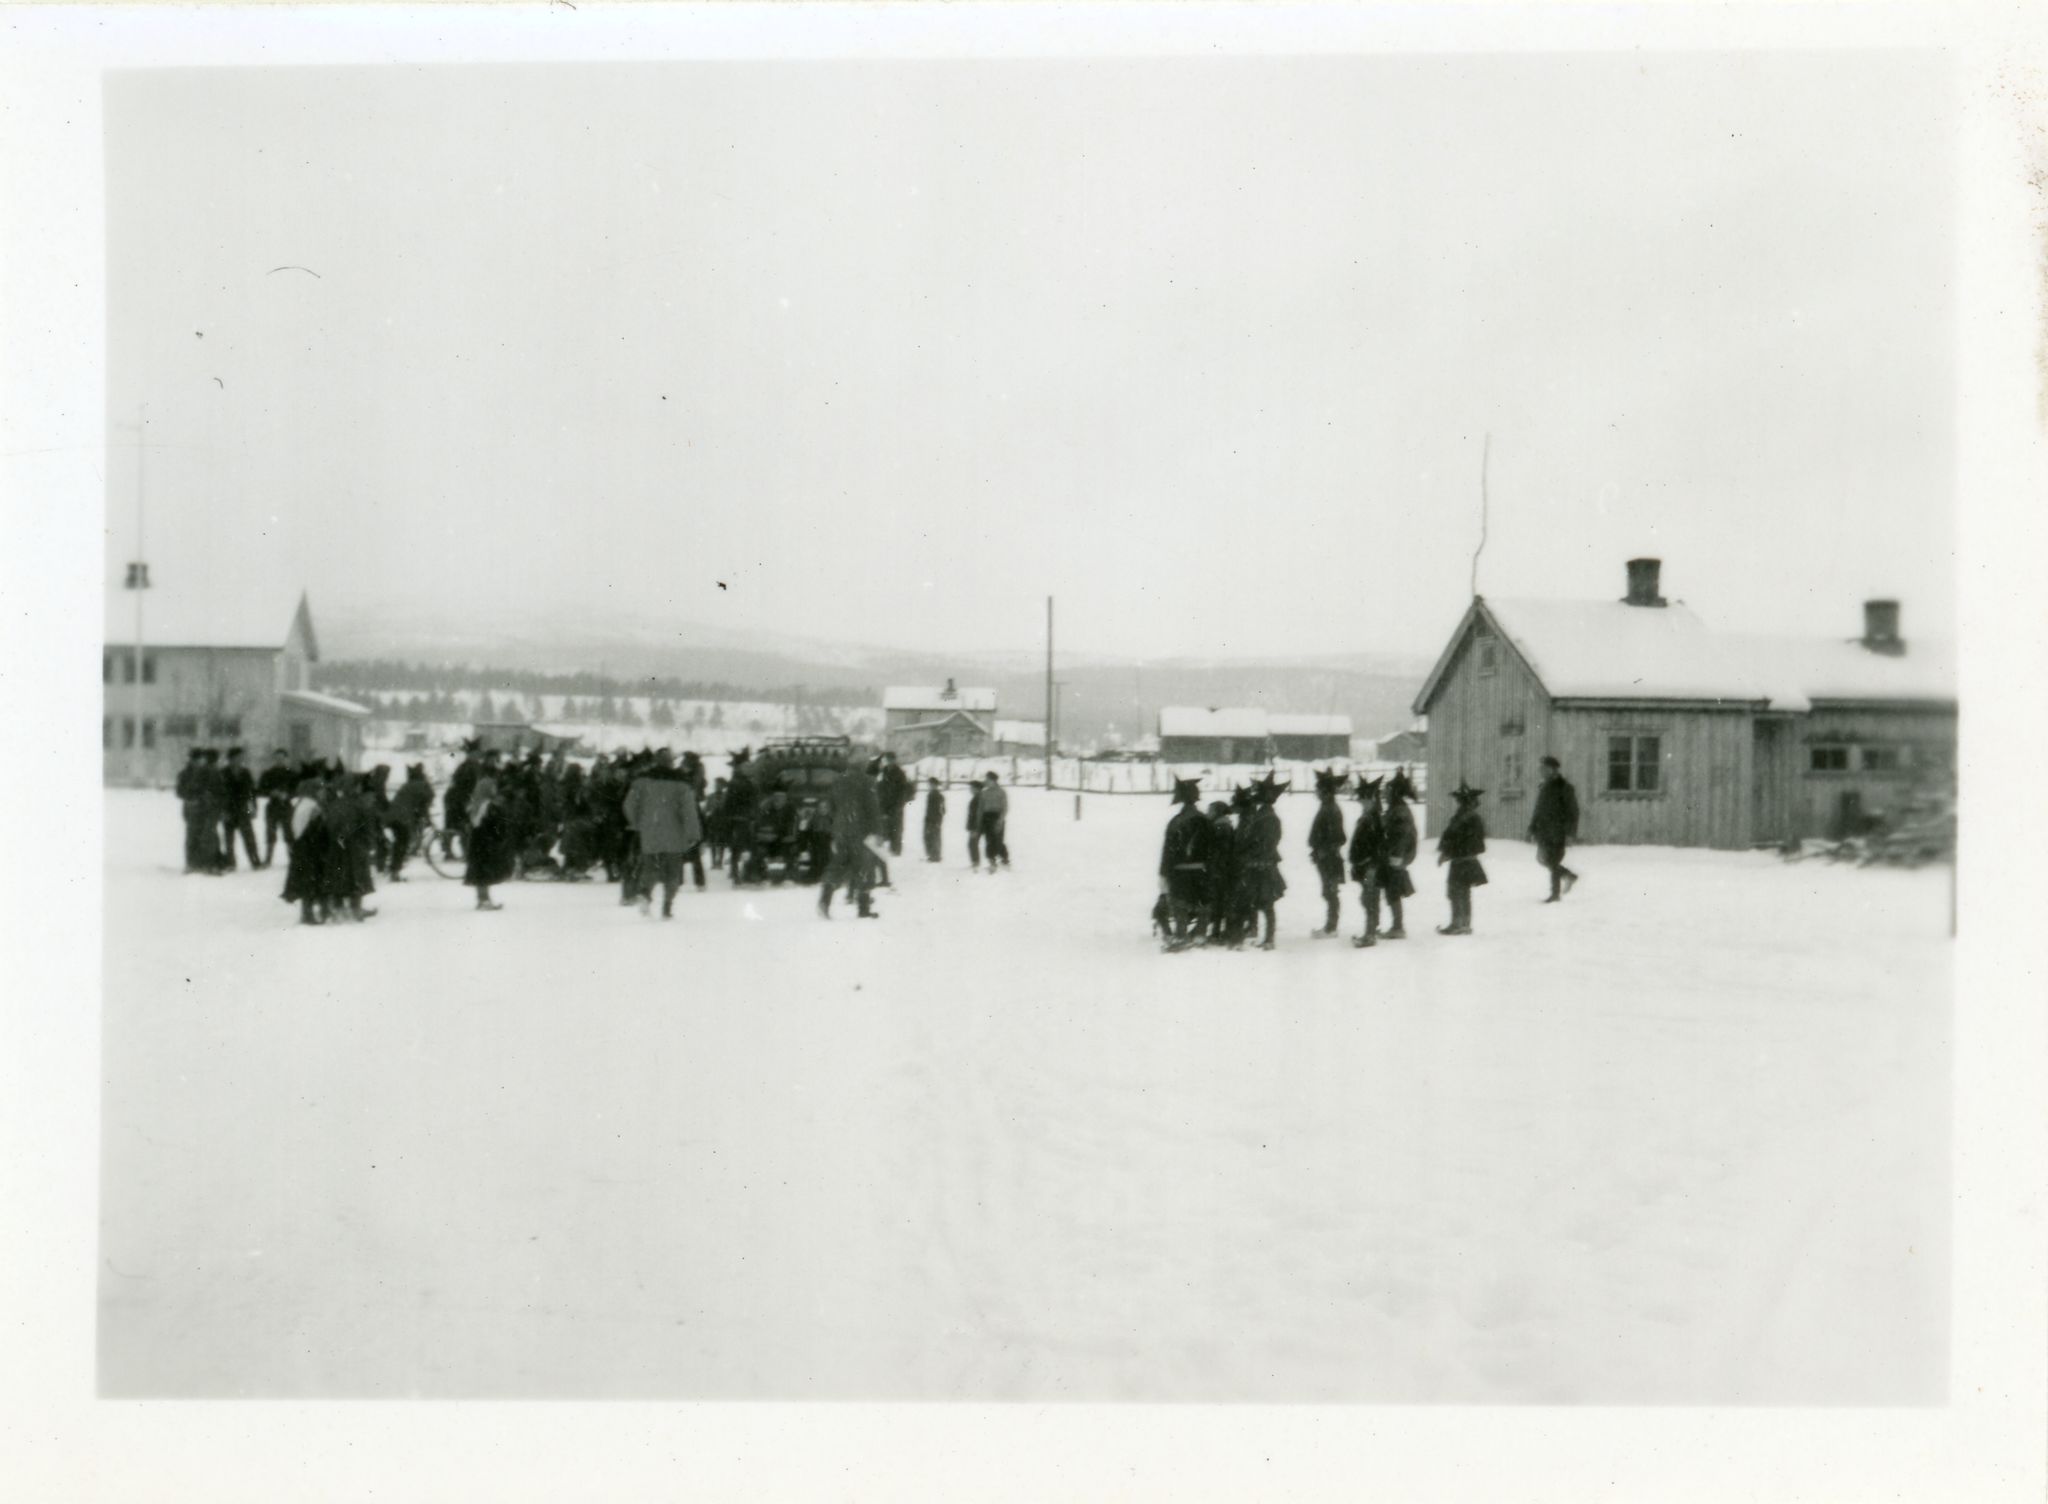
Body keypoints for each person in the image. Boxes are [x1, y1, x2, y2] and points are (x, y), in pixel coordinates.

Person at [623, 748, 702, 919]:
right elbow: (689, 811)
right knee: (673, 873)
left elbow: (628, 805)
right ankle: (667, 907)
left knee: (650, 867)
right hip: (674, 834)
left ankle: (645, 894)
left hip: (649, 833)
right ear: (671, 762)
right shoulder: (681, 783)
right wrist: (693, 834)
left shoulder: (641, 782)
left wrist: (637, 823)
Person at [819, 756, 883, 919]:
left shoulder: (838, 781)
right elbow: (873, 809)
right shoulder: (867, 781)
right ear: (863, 766)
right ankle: (863, 908)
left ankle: (825, 899)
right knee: (865, 867)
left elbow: (831, 807)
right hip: (861, 831)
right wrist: (877, 832)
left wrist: (839, 824)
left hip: (841, 830)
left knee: (838, 865)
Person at [1158, 776, 1209, 951]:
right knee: (1201, 902)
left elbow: (1168, 851)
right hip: (1202, 871)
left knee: (1180, 903)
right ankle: (1201, 934)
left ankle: (1182, 935)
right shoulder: (1205, 820)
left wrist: (1164, 873)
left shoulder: (1175, 823)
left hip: (1179, 872)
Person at [1239, 773, 1287, 950]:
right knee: (1262, 901)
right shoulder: (1264, 816)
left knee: (1266, 903)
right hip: (1260, 864)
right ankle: (1265, 936)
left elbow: (1265, 843)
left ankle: (1269, 938)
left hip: (1262, 865)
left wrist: (1252, 855)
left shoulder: (1268, 818)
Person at [279, 769, 333, 925]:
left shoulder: (299, 803)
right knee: (312, 882)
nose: (323, 793)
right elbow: (317, 829)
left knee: (308, 882)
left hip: (302, 848)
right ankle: (309, 914)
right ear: (314, 791)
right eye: (321, 790)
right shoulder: (313, 806)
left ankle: (316, 911)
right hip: (311, 850)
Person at [462, 762, 518, 911]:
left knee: (480, 874)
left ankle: (483, 899)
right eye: (493, 787)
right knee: (484, 873)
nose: (495, 789)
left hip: (478, 843)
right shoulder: (488, 806)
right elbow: (495, 826)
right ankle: (484, 901)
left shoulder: (476, 805)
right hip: (486, 844)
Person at [1437, 782, 1489, 936]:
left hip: (1461, 859)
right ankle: (1465, 923)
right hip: (1468, 859)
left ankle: (1458, 924)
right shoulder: (1472, 817)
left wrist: (1447, 852)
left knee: (1456, 891)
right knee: (1464, 892)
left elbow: (1455, 839)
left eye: (1460, 800)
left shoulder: (1463, 818)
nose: (1458, 803)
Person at [1528, 755, 1581, 902]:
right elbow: (1538, 810)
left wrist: (1570, 833)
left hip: (1558, 831)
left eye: (1544, 768)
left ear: (1553, 770)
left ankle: (1555, 894)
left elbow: (1573, 812)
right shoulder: (1544, 786)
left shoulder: (1564, 787)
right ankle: (1568, 876)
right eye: (1540, 768)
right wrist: (1532, 828)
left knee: (1552, 860)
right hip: (1543, 830)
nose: (1541, 771)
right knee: (1543, 859)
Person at [1307, 767, 1349, 938]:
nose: (1316, 792)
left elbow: (1337, 837)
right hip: (1325, 855)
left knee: (1330, 891)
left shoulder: (1330, 809)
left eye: (1318, 789)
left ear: (1325, 791)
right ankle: (1330, 925)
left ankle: (1331, 927)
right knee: (1329, 891)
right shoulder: (1327, 807)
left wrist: (1323, 850)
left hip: (1329, 857)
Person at [1348, 776, 1387, 947]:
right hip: (1366, 865)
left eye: (1364, 800)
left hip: (1370, 866)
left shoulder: (1373, 819)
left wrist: (1371, 865)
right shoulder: (1369, 817)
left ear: (1371, 799)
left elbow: (1377, 845)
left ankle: (1370, 934)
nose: (1361, 803)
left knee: (1369, 899)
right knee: (1369, 899)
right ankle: (1372, 929)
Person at [1203, 798, 1242, 947]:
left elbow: (1220, 852)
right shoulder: (1223, 825)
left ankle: (1218, 934)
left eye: (1210, 811)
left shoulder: (1220, 828)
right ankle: (1219, 933)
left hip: (1221, 871)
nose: (1208, 813)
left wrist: (1214, 869)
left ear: (1217, 812)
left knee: (1219, 902)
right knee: (1220, 903)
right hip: (1224, 870)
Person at [386, 763, 435, 880]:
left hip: (393, 816)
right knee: (402, 843)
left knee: (400, 842)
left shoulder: (409, 784)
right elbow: (423, 805)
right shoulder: (423, 786)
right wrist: (428, 819)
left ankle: (394, 870)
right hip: (402, 818)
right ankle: (394, 872)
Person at [216, 747, 261, 870]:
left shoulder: (246, 772)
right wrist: (221, 811)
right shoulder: (223, 773)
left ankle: (255, 861)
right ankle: (231, 863)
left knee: (249, 837)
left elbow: (252, 792)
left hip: (243, 809)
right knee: (229, 839)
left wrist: (254, 808)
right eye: (237, 758)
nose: (240, 760)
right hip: (228, 809)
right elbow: (218, 794)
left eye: (241, 758)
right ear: (231, 759)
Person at [256, 749, 297, 867]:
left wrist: (287, 795)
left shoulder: (292, 774)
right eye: (277, 758)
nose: (279, 760)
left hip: (286, 806)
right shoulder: (268, 774)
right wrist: (270, 793)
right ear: (274, 759)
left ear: (285, 759)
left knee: (289, 833)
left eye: (282, 758)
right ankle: (268, 859)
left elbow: (297, 790)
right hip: (272, 807)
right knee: (270, 833)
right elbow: (260, 790)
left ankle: (293, 858)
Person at [176, 748, 209, 873]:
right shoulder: (184, 774)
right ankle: (190, 863)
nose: (200, 762)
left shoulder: (206, 773)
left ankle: (200, 863)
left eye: (201, 759)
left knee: (204, 835)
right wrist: (190, 799)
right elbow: (179, 791)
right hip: (191, 808)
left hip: (205, 808)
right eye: (197, 759)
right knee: (191, 836)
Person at [876, 752, 914, 858]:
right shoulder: (883, 772)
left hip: (896, 805)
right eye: (886, 759)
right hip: (884, 804)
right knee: (884, 827)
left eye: (890, 759)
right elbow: (879, 787)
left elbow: (902, 792)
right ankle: (885, 850)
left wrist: (897, 806)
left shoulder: (900, 773)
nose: (888, 761)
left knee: (896, 828)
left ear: (894, 760)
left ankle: (896, 851)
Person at [977, 771, 1011, 870]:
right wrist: (979, 820)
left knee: (998, 840)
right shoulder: (984, 792)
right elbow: (980, 808)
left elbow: (1005, 807)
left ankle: (1005, 859)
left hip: (997, 817)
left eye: (988, 779)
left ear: (994, 780)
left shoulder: (1001, 792)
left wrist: (1001, 819)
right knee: (989, 840)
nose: (986, 781)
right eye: (986, 779)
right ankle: (992, 861)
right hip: (986, 817)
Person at [922, 776, 946, 862]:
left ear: (936, 785)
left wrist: (939, 819)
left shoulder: (939, 796)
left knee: (935, 837)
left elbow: (943, 809)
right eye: (929, 784)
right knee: (927, 837)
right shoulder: (929, 795)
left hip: (935, 820)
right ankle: (931, 855)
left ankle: (936, 856)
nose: (930, 786)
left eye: (932, 784)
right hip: (928, 819)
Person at [964, 777, 986, 870]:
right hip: (976, 825)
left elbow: (978, 814)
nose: (970, 790)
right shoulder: (977, 797)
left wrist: (975, 827)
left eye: (972, 788)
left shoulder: (979, 798)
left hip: (977, 825)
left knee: (972, 843)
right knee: (972, 843)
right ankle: (975, 862)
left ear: (977, 788)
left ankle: (975, 863)